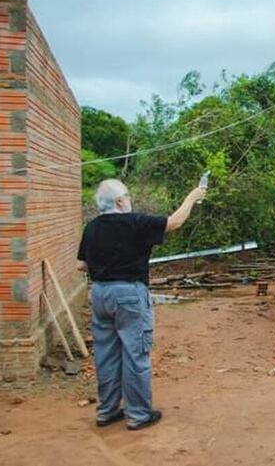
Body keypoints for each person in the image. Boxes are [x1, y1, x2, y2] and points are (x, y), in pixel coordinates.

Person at [77, 179, 206, 430]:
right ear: (119, 201)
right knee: (135, 353)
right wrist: (193, 196)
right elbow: (175, 222)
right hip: (129, 294)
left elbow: (81, 265)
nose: (130, 199)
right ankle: (138, 415)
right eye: (127, 196)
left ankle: (107, 411)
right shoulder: (134, 222)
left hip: (100, 294)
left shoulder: (91, 228)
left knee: (106, 355)